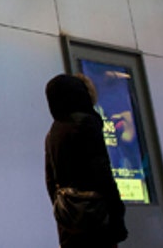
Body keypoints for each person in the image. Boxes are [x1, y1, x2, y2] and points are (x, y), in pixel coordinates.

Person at [45, 73, 127, 247]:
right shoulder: (87, 123)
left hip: (69, 220)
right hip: (95, 216)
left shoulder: (53, 131)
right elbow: (101, 172)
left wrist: (63, 209)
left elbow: (50, 180)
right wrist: (117, 212)